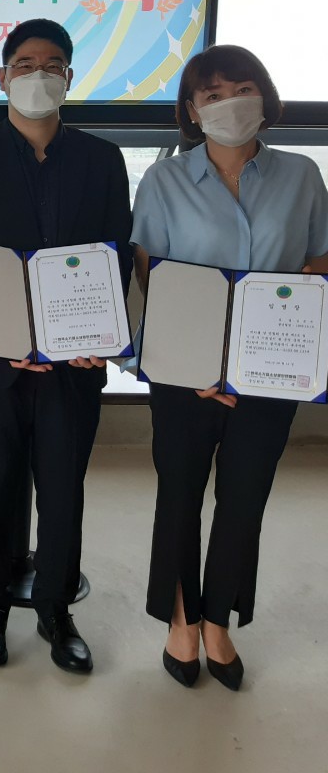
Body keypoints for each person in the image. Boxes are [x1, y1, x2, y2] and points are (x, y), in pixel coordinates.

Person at [0, 18, 131, 675]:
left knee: (64, 489)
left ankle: (56, 610)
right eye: (24, 64)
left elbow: (114, 253)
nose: (37, 75)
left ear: (69, 77)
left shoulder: (102, 160)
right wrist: (3, 332)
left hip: (74, 363)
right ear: (2, 77)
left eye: (51, 65)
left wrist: (96, 334)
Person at [132, 44, 328, 691]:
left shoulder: (302, 175)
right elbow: (153, 277)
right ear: (192, 111)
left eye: (241, 89)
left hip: (270, 372)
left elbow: (319, 259)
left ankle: (219, 619)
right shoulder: (163, 181)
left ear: (264, 98)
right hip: (184, 371)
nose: (228, 104)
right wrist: (197, 361)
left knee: (245, 497)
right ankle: (181, 619)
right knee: (180, 494)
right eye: (211, 95)